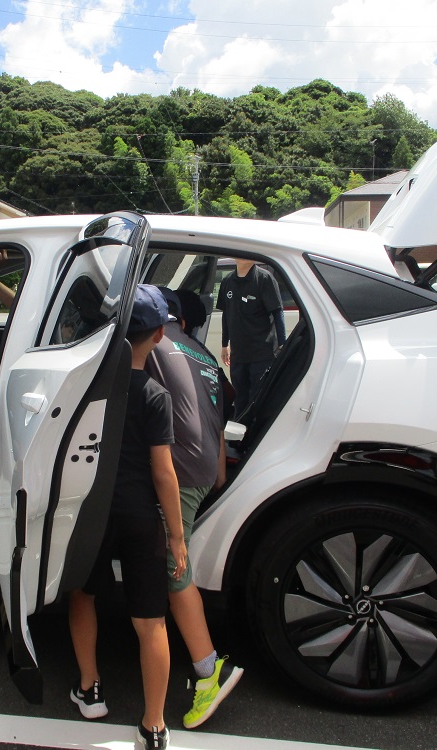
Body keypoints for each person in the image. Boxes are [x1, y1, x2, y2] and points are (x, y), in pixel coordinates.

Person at [68, 284, 187, 750]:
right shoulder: (156, 395)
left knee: (84, 595)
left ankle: (90, 687)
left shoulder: (90, 390)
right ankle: (154, 725)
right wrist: (176, 538)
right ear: (158, 335)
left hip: (92, 514)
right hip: (141, 515)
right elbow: (164, 473)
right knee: (150, 621)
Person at [146, 288, 244, 730]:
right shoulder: (198, 349)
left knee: (174, 566)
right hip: (208, 467)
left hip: (181, 471)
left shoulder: (150, 345)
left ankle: (208, 671)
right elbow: (222, 407)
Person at [217, 259, 285, 414]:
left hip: (262, 353)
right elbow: (226, 314)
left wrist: (283, 344)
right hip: (239, 354)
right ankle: (240, 435)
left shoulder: (264, 278)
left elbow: (277, 311)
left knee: (258, 398)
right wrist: (224, 344)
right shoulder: (227, 281)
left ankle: (257, 434)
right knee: (240, 397)